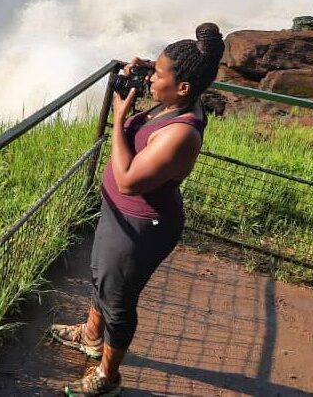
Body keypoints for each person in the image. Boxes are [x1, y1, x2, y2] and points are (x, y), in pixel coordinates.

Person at [51, 23, 225, 397]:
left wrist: (119, 117)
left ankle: (107, 378)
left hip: (140, 227)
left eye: (158, 74)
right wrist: (143, 75)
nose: (151, 78)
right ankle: (91, 336)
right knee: (102, 278)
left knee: (119, 300)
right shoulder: (173, 102)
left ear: (183, 87)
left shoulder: (182, 132)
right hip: (120, 216)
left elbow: (128, 178)